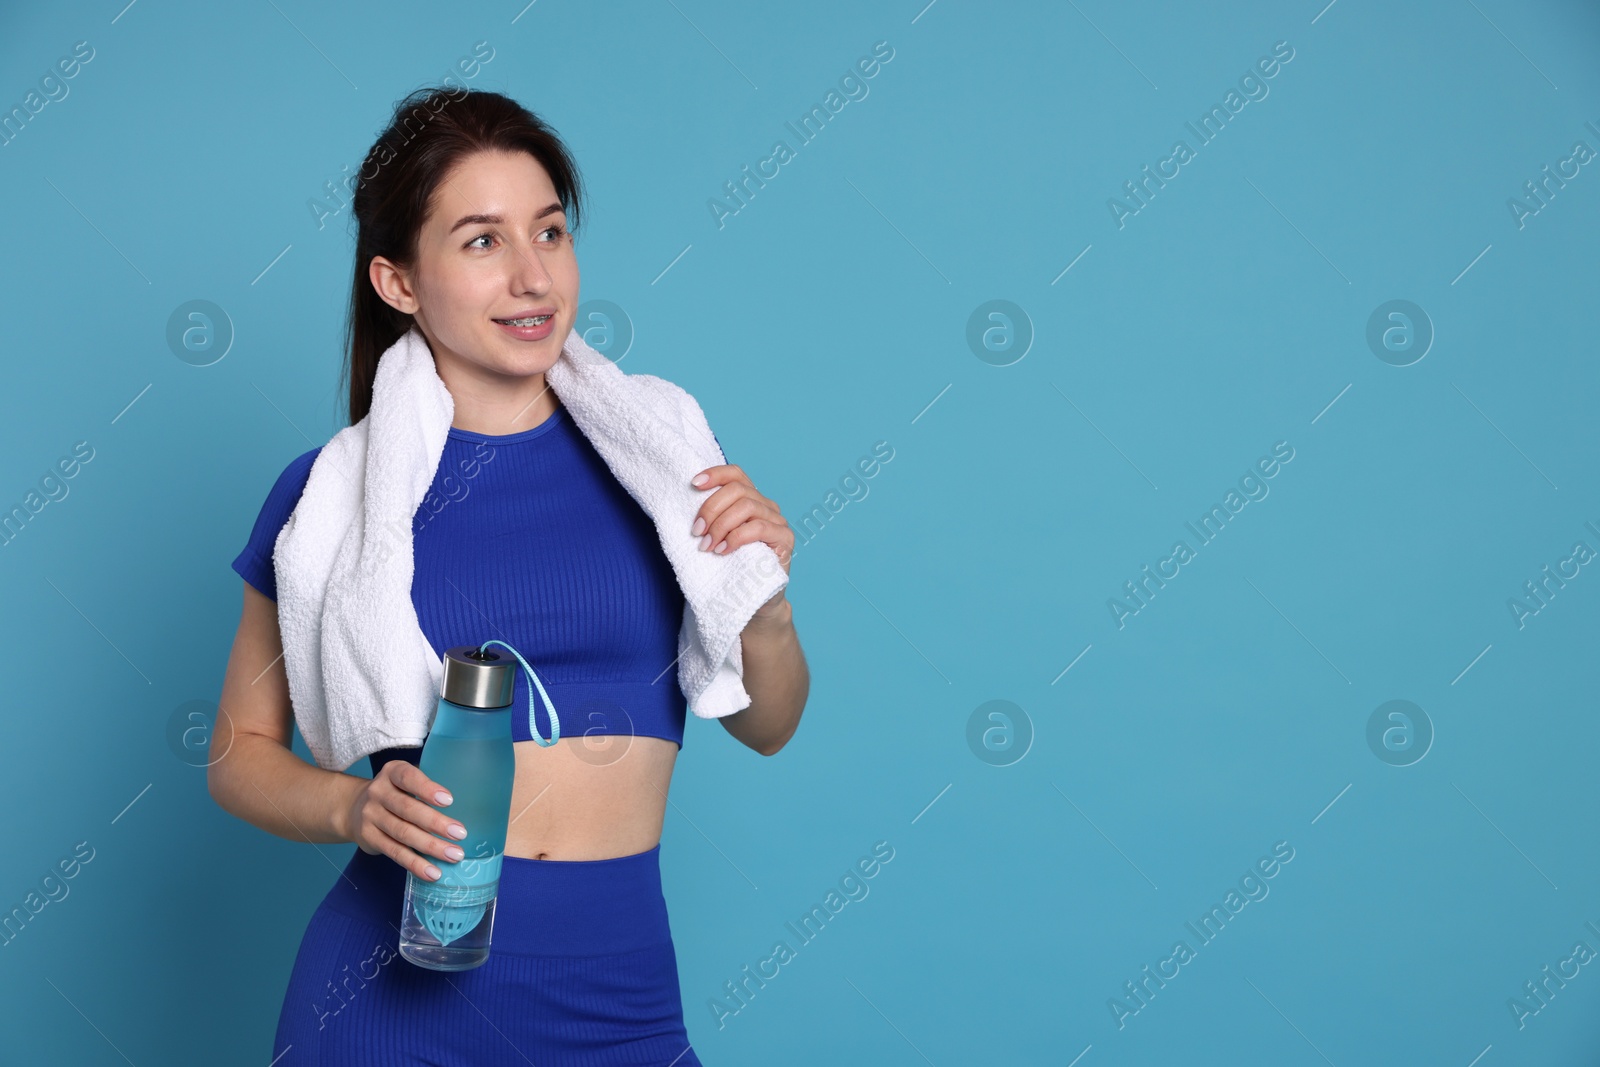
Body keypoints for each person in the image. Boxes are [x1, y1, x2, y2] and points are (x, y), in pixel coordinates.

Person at [207, 85, 809, 1065]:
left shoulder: (661, 460)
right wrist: (350, 807)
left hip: (617, 1000)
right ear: (399, 281)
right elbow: (238, 753)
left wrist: (765, 605)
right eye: (482, 241)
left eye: (550, 232)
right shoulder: (330, 501)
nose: (532, 276)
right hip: (390, 999)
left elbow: (767, 723)